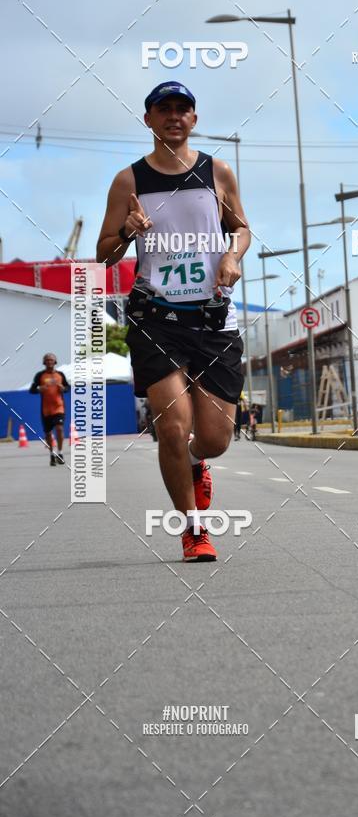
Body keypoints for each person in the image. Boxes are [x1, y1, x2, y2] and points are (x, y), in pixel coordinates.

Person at [96, 81, 251, 562]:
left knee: (214, 438)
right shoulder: (130, 181)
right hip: (155, 319)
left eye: (183, 109)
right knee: (171, 425)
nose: (174, 117)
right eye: (164, 109)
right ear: (148, 120)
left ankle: (196, 461)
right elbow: (104, 254)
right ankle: (193, 530)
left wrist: (232, 255)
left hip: (211, 318)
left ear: (194, 119)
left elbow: (242, 228)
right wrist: (127, 229)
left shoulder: (216, 172)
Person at [29, 353, 70, 465]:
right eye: (47, 360)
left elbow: (68, 387)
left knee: (59, 428)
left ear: (55, 362)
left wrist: (64, 389)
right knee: (48, 433)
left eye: (51, 360)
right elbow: (31, 390)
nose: (49, 362)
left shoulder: (60, 375)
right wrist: (39, 389)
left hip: (59, 407)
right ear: (44, 362)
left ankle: (60, 453)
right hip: (46, 409)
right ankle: (52, 455)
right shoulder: (40, 376)